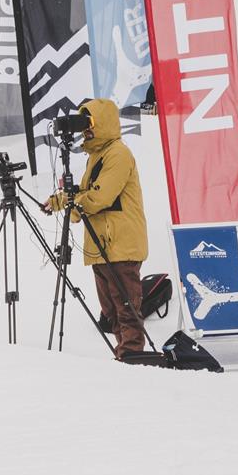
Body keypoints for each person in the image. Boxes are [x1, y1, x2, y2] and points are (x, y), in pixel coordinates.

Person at [43, 98, 149, 362]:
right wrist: (57, 202)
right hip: (102, 245)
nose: (85, 130)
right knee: (111, 312)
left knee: (126, 309)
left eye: (89, 123)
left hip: (120, 244)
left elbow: (100, 197)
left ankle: (133, 356)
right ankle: (124, 356)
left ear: (103, 123)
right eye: (84, 124)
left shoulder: (118, 154)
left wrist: (73, 207)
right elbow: (83, 193)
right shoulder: (96, 157)